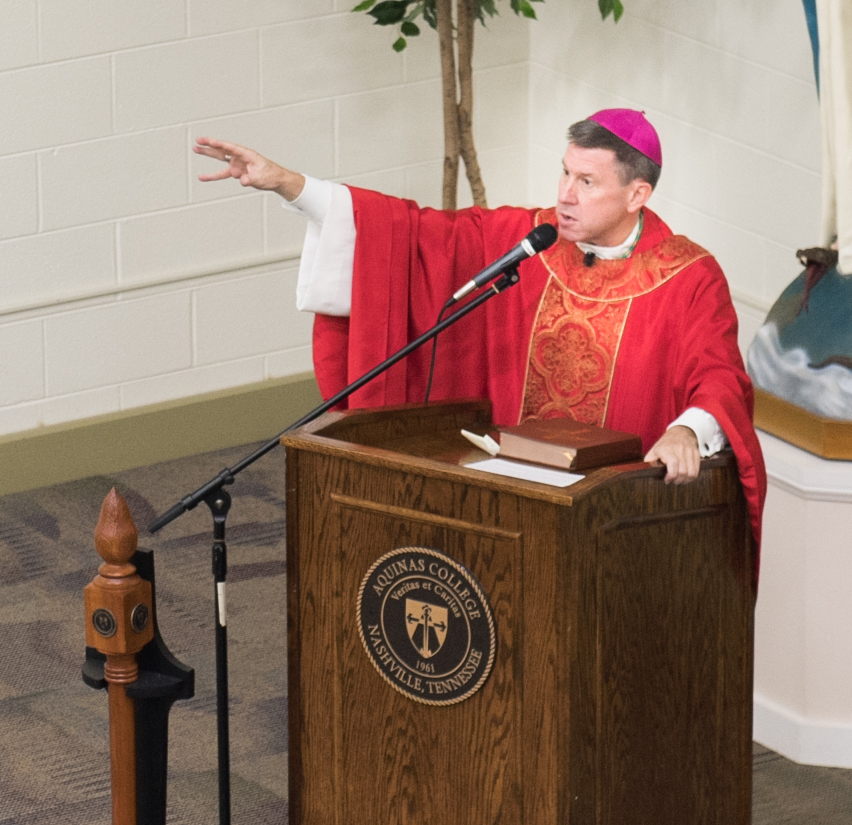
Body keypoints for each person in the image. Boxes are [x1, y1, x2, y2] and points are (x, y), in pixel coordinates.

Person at [193, 109, 766, 553]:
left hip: (614, 514)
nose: (565, 194)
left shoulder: (687, 277)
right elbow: (410, 235)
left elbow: (719, 375)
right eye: (565, 172)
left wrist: (690, 431)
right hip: (510, 497)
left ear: (637, 195)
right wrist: (291, 184)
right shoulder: (527, 241)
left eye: (587, 182)